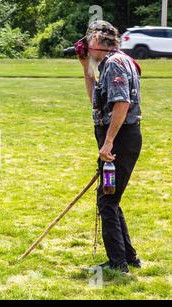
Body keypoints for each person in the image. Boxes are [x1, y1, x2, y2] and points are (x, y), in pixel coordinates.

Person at [79, 20, 142, 273]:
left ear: (97, 41)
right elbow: (96, 98)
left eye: (88, 40)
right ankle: (128, 257)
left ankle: (118, 264)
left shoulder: (114, 63)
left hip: (120, 140)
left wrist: (108, 143)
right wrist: (86, 67)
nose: (85, 44)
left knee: (107, 201)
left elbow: (121, 104)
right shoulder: (113, 62)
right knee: (111, 198)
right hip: (120, 139)